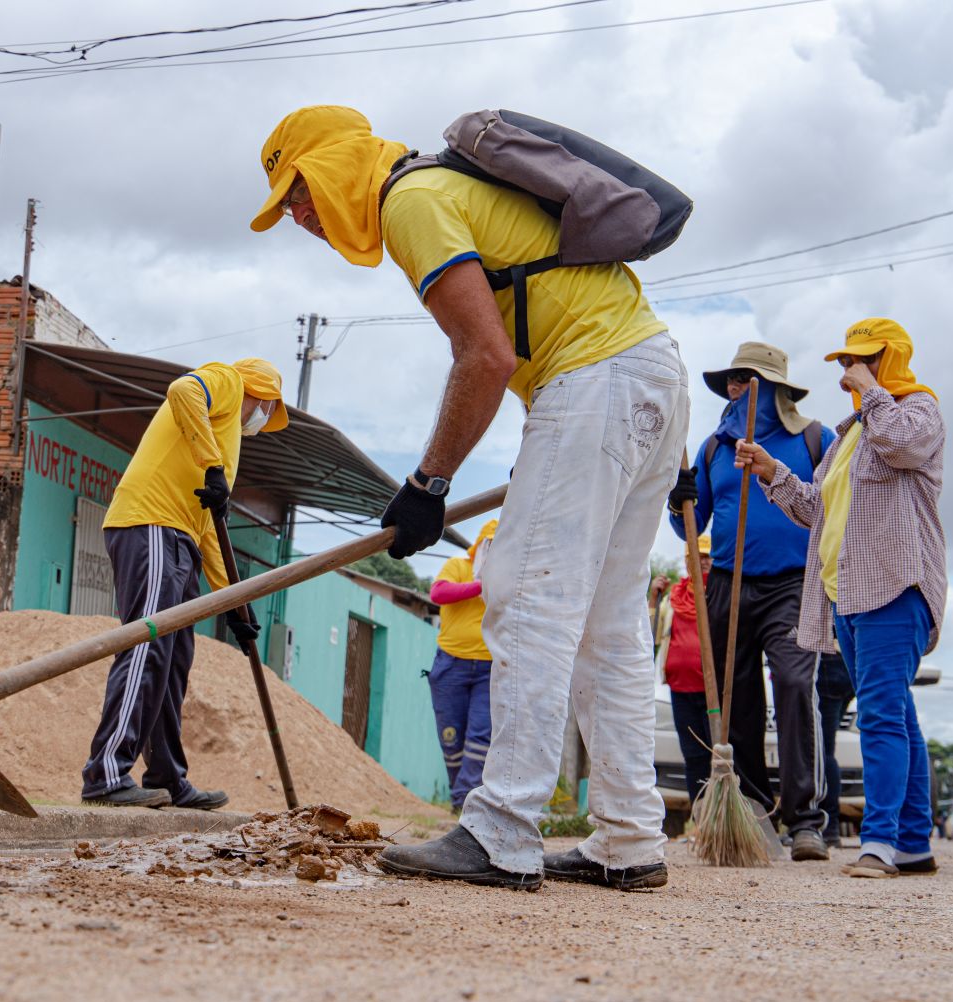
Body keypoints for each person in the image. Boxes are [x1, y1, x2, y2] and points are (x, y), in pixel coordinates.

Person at [251, 106, 688, 891]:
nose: (301, 217)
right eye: (288, 207)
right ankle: (629, 837)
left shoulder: (410, 201)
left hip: (595, 379)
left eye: (300, 192)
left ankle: (501, 830)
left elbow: (485, 355)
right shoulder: (439, 187)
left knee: (524, 600)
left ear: (340, 163)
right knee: (606, 625)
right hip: (649, 374)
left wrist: (426, 484)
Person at [733, 318, 946, 878]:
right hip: (843, 595)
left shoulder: (917, 410)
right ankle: (913, 841)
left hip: (894, 587)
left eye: (863, 360)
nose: (849, 372)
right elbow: (814, 511)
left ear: (891, 358)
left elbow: (900, 446)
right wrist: (772, 470)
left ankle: (878, 845)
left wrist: (873, 391)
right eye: (845, 362)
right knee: (898, 714)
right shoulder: (851, 433)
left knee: (880, 717)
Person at [80, 358, 289, 808]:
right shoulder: (229, 383)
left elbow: (211, 530)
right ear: (263, 394)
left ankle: (167, 777)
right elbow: (182, 390)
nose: (265, 419)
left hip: (181, 538)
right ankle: (106, 774)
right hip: (151, 523)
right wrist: (211, 464)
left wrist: (238, 606)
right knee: (146, 646)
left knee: (172, 662)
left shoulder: (228, 439)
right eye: (269, 409)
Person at [668, 342, 835, 861]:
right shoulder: (715, 448)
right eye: (732, 382)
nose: (736, 390)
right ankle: (757, 811)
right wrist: (679, 501)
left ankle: (805, 817)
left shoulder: (812, 439)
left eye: (746, 380)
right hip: (729, 583)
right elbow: (688, 525)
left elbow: (832, 507)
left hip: (791, 584)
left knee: (791, 682)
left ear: (777, 389)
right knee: (737, 699)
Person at [427, 519, 498, 813]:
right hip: (450, 663)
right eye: (490, 544)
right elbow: (438, 593)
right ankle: (460, 794)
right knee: (451, 736)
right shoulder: (458, 566)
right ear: (479, 545)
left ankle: (464, 800)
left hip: (489, 667)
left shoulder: (510, 577)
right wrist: (480, 587)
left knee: (480, 736)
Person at [650, 533, 715, 807]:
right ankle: (700, 818)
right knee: (693, 757)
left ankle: (719, 816)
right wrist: (654, 598)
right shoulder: (671, 600)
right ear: (687, 561)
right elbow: (649, 638)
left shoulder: (719, 595)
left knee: (718, 757)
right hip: (680, 689)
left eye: (706, 557)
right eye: (695, 557)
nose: (701, 562)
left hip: (714, 693)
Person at [816, 650, 856, 846]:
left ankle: (828, 826)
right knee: (824, 749)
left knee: (822, 751)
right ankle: (828, 825)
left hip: (827, 660)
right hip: (847, 661)